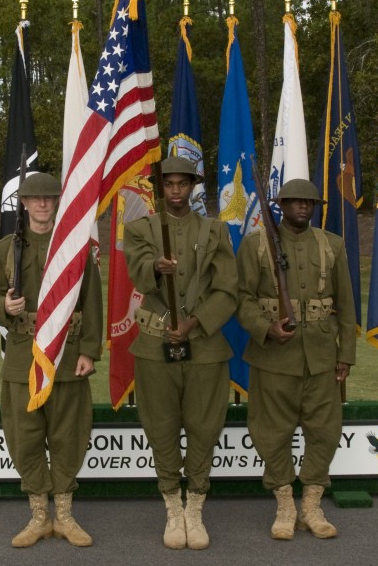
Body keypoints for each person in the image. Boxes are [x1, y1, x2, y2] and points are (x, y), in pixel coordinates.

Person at [0, 172, 102, 549]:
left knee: (68, 436)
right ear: (25, 204)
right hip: (22, 357)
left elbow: (92, 302)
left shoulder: (76, 249)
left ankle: (64, 515)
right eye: (35, 199)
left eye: (49, 198)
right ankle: (38, 515)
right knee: (25, 437)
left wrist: (89, 351)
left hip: (66, 356)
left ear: (57, 203)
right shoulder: (3, 251)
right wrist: (5, 305)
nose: (43, 204)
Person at [123, 156, 238, 551]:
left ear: (193, 186)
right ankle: (173, 505)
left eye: (182, 184)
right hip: (155, 347)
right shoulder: (141, 229)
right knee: (161, 428)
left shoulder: (215, 230)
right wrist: (156, 267)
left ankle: (196, 507)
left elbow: (228, 290)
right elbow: (135, 269)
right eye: (169, 184)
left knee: (205, 428)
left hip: (204, 345)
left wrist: (195, 323)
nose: (175, 190)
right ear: (160, 188)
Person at [236, 178, 356, 541]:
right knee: (271, 432)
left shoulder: (331, 244)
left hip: (320, 356)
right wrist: (266, 327)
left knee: (325, 430)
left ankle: (312, 504)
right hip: (274, 356)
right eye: (295, 202)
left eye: (309, 203)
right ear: (281, 205)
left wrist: (345, 354)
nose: (302, 208)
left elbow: (347, 306)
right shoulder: (256, 245)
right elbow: (241, 298)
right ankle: (285, 503)